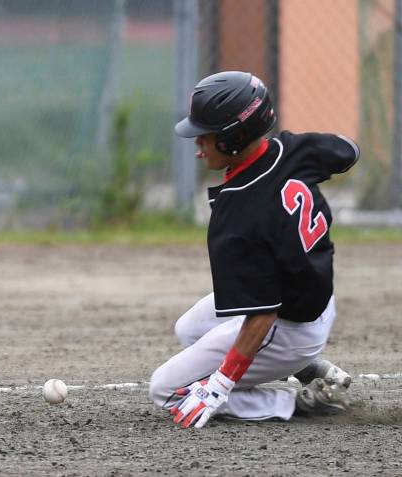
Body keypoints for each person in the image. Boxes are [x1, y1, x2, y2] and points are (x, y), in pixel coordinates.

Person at [148, 71, 360, 428]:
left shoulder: (239, 215)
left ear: (232, 139)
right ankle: (310, 369)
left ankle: (301, 403)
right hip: (313, 296)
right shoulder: (293, 149)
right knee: (189, 328)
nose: (198, 146)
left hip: (289, 325)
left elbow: (260, 316)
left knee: (166, 390)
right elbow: (347, 150)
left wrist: (220, 385)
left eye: (206, 136)